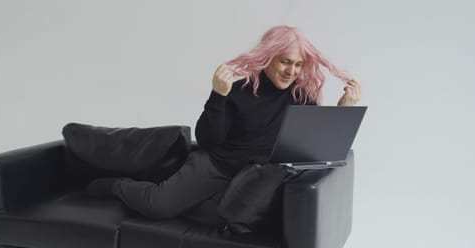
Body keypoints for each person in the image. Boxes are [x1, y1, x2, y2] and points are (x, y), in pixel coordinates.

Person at [87, 25, 362, 219]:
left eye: (298, 65)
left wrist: (342, 110)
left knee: (225, 216)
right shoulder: (240, 90)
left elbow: (313, 149)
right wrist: (218, 96)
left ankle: (177, 190)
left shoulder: (302, 96)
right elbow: (208, 140)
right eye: (284, 62)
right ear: (268, 58)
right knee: (158, 207)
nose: (291, 71)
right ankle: (116, 185)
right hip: (216, 165)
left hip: (251, 177)